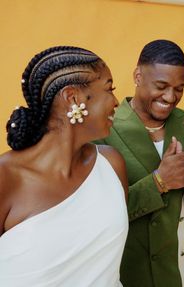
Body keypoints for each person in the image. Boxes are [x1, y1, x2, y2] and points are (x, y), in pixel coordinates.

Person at [95, 40, 184, 287]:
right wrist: (160, 181)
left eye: (179, 88)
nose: (170, 97)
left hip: (180, 273)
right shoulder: (103, 128)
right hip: (124, 274)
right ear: (138, 75)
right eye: (161, 86)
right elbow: (96, 215)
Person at [0, 46, 129, 287]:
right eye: (109, 89)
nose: (116, 102)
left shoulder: (112, 165)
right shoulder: (6, 177)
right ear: (73, 98)